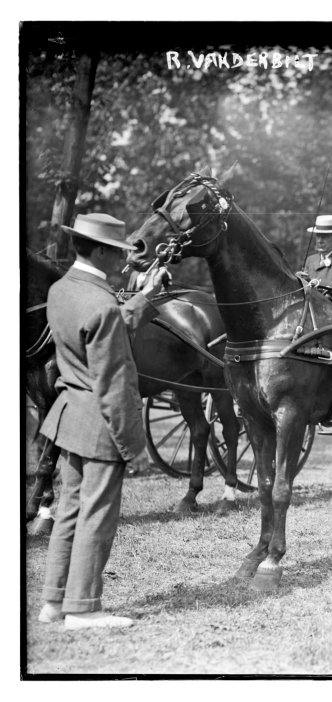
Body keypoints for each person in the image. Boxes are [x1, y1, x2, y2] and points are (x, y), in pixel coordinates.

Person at [36, 213, 168, 630]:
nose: (123, 259)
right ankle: (83, 608)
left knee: (69, 511)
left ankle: (54, 601)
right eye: (118, 251)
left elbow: (98, 331)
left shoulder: (63, 289)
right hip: (101, 426)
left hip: (69, 418)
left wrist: (145, 299)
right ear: (99, 250)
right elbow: (115, 381)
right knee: (97, 516)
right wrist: (135, 447)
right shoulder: (103, 303)